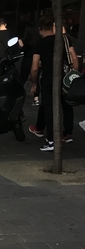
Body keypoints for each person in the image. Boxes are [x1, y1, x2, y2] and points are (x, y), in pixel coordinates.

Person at [29, 16, 79, 150]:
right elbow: (74, 58)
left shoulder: (40, 44)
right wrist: (73, 75)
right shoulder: (64, 39)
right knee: (66, 105)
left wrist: (34, 83)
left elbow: (34, 67)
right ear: (53, 27)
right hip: (65, 77)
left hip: (48, 78)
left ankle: (51, 140)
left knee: (49, 108)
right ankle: (67, 133)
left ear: (40, 30)